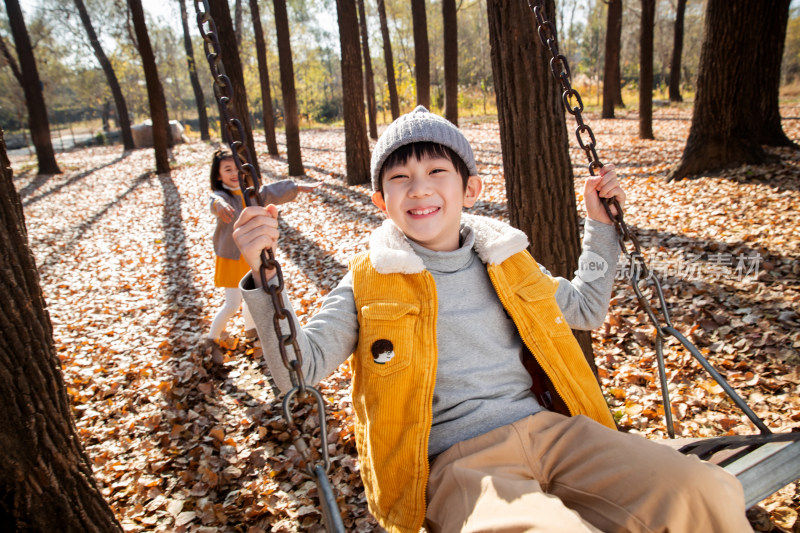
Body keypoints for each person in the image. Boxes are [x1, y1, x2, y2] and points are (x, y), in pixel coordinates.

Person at [232, 107, 750, 533]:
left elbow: (587, 307)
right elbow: (299, 372)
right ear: (380, 202)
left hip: (557, 435)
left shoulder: (507, 259)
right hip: (463, 465)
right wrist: (263, 277)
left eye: (437, 172)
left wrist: (600, 229)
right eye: (400, 178)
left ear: (470, 189)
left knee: (704, 492)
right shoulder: (369, 283)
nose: (419, 189)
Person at [206, 149, 316, 350]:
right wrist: (220, 205)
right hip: (231, 258)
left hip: (251, 256)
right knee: (232, 304)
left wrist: (297, 187)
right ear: (218, 175)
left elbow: (273, 191)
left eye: (236, 169)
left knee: (251, 298)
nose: (233, 173)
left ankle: (252, 333)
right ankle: (211, 338)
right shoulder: (223, 196)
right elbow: (215, 201)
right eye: (227, 169)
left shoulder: (252, 195)